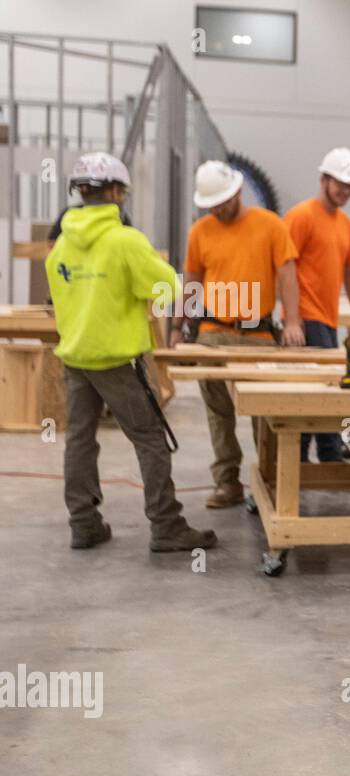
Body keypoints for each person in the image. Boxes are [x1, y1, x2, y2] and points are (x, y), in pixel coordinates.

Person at [46, 152, 217, 553]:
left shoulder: (60, 247)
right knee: (150, 438)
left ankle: (84, 524)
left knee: (80, 439)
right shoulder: (125, 241)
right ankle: (166, 525)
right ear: (116, 192)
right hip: (119, 361)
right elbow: (169, 290)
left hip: (76, 359)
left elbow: (60, 300)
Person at [178, 159, 302, 508]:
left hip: (257, 334)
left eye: (222, 201)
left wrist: (292, 322)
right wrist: (178, 326)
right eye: (211, 204)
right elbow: (191, 282)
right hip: (212, 332)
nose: (217, 209)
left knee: (264, 409)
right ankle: (228, 483)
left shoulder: (271, 225)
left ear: (236, 191)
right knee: (218, 412)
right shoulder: (200, 232)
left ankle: (268, 479)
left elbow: (288, 273)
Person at [283, 147, 350, 462]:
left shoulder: (346, 225)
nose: (345, 191)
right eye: (340, 183)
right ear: (324, 179)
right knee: (312, 395)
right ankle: (302, 459)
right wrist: (291, 320)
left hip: (329, 320)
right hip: (305, 320)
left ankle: (329, 454)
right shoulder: (301, 217)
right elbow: (285, 267)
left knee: (332, 390)